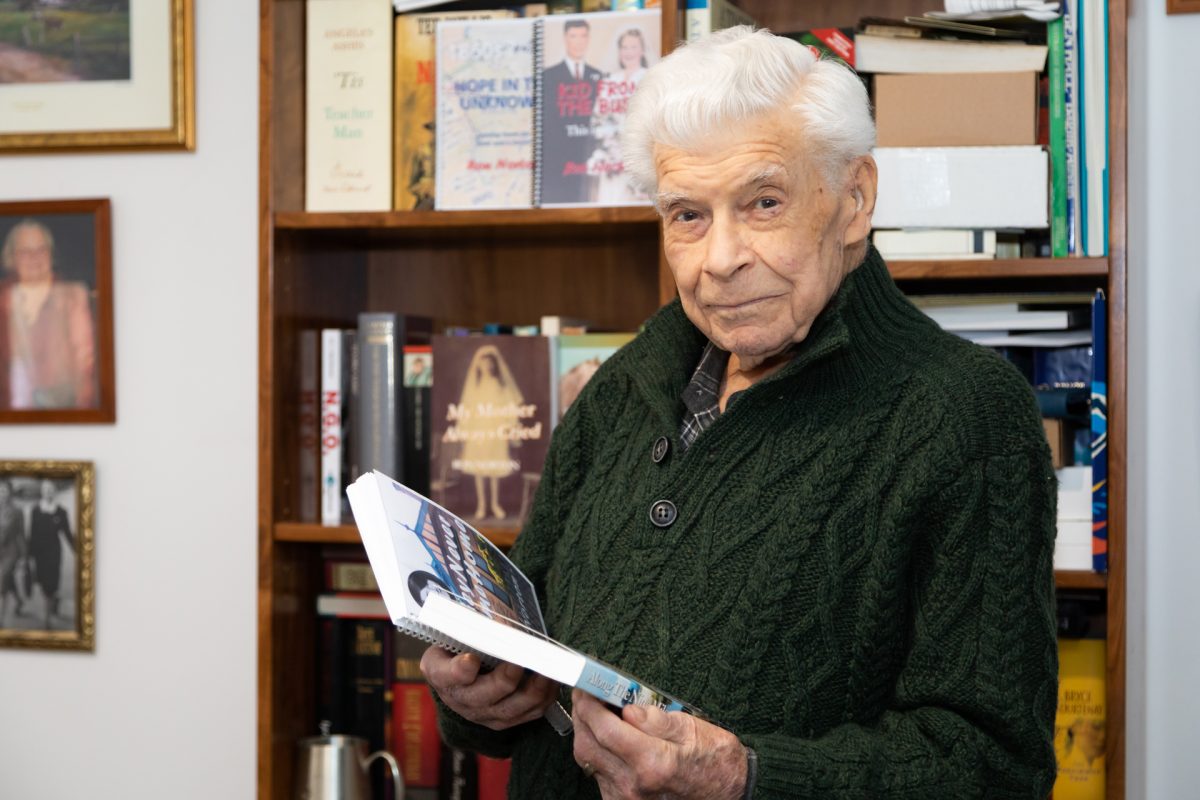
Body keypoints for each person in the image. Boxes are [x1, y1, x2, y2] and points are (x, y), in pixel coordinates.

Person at [423, 27, 1058, 799]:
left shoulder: (966, 416)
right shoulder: (622, 387)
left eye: (763, 203)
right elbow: (526, 656)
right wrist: (475, 697)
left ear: (854, 199)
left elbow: (993, 768)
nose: (720, 259)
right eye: (688, 215)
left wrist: (743, 777)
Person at [0, 219, 98, 410]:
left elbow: (86, 361)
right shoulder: (4, 298)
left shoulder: (72, 296)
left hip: (62, 406)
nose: (34, 258)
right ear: (11, 257)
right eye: (25, 252)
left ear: (51, 255)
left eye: (41, 250)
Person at [456, 346, 524, 521]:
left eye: (490, 364)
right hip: (479, 432)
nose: (487, 367)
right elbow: (467, 409)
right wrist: (466, 430)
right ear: (479, 365)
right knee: (480, 469)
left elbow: (510, 408)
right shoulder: (475, 387)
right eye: (484, 363)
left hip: (496, 431)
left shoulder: (500, 385)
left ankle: (495, 504)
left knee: (494, 468)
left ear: (494, 365)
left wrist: (509, 428)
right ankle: (482, 505)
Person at [540, 19, 603, 204]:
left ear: (588, 39)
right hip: (556, 166)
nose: (578, 42)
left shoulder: (598, 75)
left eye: (583, 36)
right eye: (573, 36)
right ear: (565, 38)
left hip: (588, 162)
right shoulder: (548, 76)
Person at [587, 27, 651, 204]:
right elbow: (598, 117)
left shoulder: (648, 77)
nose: (628, 52)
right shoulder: (610, 81)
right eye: (624, 47)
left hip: (637, 153)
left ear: (642, 50)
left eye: (633, 47)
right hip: (611, 155)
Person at [28, 478, 75, 627]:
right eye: (45, 490)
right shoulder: (36, 510)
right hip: (39, 554)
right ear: (41, 492)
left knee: (50, 584)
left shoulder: (61, 512)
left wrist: (79, 551)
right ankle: (54, 599)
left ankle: (47, 619)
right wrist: (28, 556)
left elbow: (68, 534)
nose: (48, 492)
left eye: (51, 490)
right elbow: (32, 534)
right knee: (42, 583)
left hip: (54, 554)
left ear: (54, 492)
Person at [0, 478, 29, 626]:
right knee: (8, 580)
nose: (2, 494)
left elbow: (21, 535)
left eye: (5, 491)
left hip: (11, 552)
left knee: (3, 580)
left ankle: (1, 619)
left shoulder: (17, 511)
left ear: (10, 493)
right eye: (0, 491)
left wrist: (24, 557)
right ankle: (19, 601)